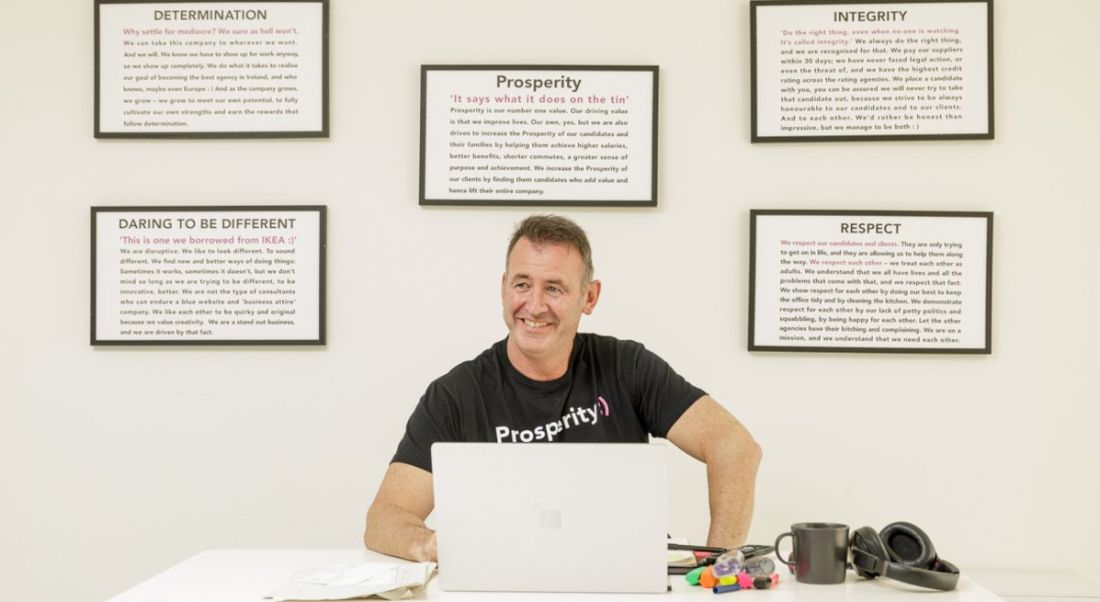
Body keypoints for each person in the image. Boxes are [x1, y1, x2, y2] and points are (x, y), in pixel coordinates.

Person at [364, 214, 762, 562]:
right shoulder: (455, 395)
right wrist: (430, 545)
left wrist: (720, 566)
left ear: (589, 297)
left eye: (554, 288)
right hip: (500, 584)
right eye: (522, 284)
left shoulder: (627, 367)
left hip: (620, 583)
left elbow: (735, 447)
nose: (534, 306)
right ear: (504, 288)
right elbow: (384, 519)